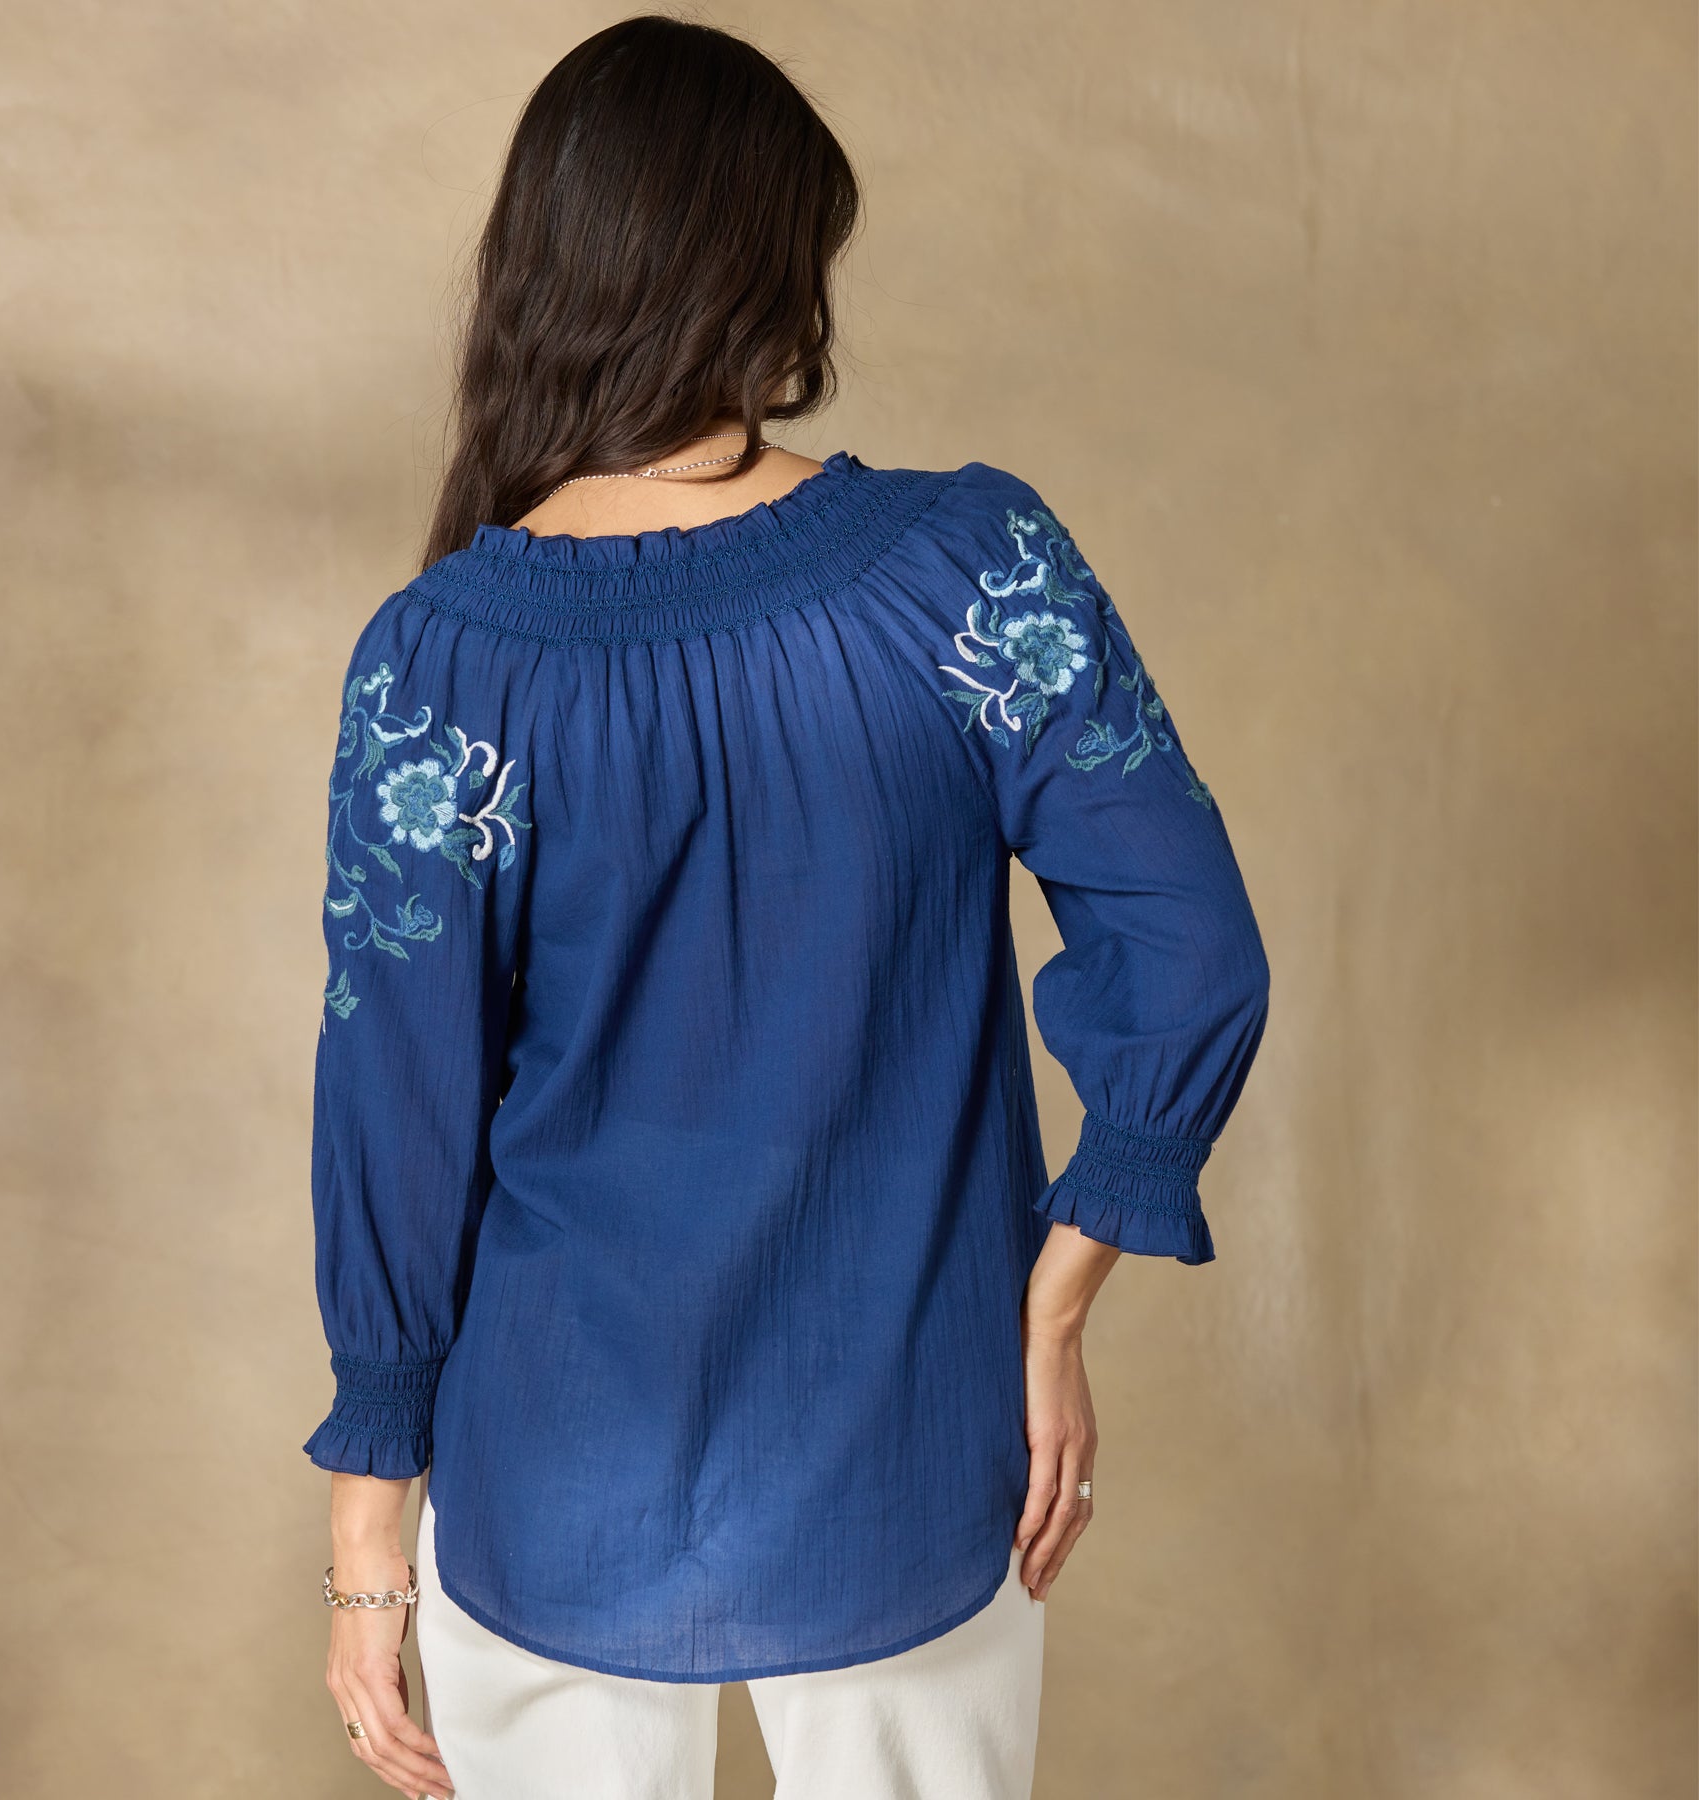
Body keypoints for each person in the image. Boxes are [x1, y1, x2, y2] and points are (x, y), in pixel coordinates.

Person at [301, 16, 1270, 1800]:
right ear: (767, 268)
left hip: (550, 1478)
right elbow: (1190, 941)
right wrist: (1053, 1308)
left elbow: (397, 1116)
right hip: (913, 1446)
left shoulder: (439, 661)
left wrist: (371, 1550)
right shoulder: (968, 568)